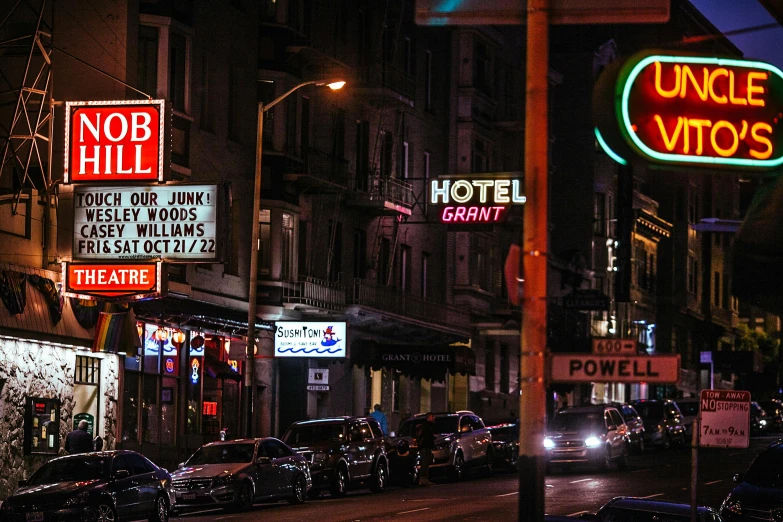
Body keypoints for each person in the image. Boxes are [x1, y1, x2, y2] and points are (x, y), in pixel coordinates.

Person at [416, 412, 436, 486]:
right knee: (424, 463)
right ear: (429, 417)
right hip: (425, 447)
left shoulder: (428, 425)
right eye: (432, 416)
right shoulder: (426, 426)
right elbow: (428, 437)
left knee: (426, 463)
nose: (434, 418)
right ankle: (423, 479)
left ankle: (425, 479)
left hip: (425, 447)